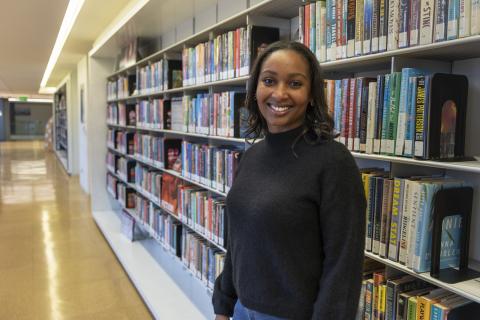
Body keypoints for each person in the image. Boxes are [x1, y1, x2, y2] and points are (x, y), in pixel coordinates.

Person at [212, 40, 366, 320]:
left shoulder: (333, 161)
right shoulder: (252, 156)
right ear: (256, 89)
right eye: (269, 80)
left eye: (295, 84)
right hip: (242, 310)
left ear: (311, 94)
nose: (279, 93)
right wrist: (224, 305)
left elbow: (344, 262)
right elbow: (238, 240)